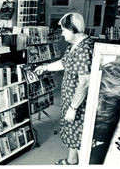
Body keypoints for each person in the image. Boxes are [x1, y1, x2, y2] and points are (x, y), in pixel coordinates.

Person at [35, 12, 94, 165]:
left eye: (63, 30)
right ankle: (72, 159)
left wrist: (73, 108)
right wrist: (45, 67)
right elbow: (64, 63)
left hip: (79, 102)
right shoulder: (75, 46)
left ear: (73, 28)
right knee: (71, 129)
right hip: (71, 97)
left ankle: (82, 164)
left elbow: (85, 82)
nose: (61, 34)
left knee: (79, 133)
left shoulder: (84, 49)